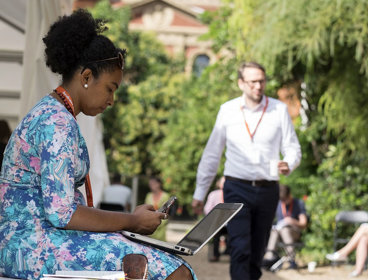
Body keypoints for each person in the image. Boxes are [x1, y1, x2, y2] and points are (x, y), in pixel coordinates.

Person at [0, 10, 195, 280]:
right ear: (87, 77)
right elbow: (63, 214)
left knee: (156, 258)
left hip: (29, 240)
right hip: (31, 246)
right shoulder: (57, 124)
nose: (112, 100)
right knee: (173, 270)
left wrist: (129, 224)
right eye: (111, 88)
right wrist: (132, 221)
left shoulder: (53, 113)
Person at [192, 61, 301, 280]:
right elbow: (212, 154)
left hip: (267, 189)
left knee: (257, 251)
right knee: (240, 247)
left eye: (261, 81)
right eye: (252, 82)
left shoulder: (278, 109)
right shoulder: (228, 110)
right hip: (236, 187)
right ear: (241, 83)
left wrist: (289, 162)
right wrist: (199, 194)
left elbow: (292, 147)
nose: (258, 86)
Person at [263, 184, 308, 269]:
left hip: (294, 231)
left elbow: (304, 224)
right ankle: (270, 256)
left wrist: (293, 221)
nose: (283, 202)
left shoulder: (298, 203)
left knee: (285, 230)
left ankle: (291, 259)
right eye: (281, 200)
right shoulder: (278, 204)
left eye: (284, 199)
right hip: (279, 232)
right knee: (274, 231)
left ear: (289, 195)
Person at [204, 176, 228, 262]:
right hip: (218, 222)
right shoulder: (213, 194)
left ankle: (228, 253)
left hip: (228, 223)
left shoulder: (231, 194)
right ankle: (215, 254)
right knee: (216, 234)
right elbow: (207, 209)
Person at [144, 176, 171, 241]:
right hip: (149, 223)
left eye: (153, 184)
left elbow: (166, 212)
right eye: (150, 184)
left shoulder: (165, 196)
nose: (151, 186)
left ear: (159, 184)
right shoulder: (148, 195)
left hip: (161, 223)